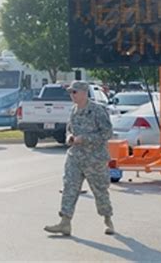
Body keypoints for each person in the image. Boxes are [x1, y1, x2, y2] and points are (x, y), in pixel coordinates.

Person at [44, 80, 115, 236]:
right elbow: (69, 130)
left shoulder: (97, 110)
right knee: (69, 187)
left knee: (100, 190)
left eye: (74, 92)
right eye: (70, 92)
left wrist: (84, 138)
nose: (72, 95)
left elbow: (107, 133)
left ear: (84, 92)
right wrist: (70, 137)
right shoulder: (73, 110)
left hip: (94, 158)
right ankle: (65, 223)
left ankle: (108, 220)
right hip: (75, 156)